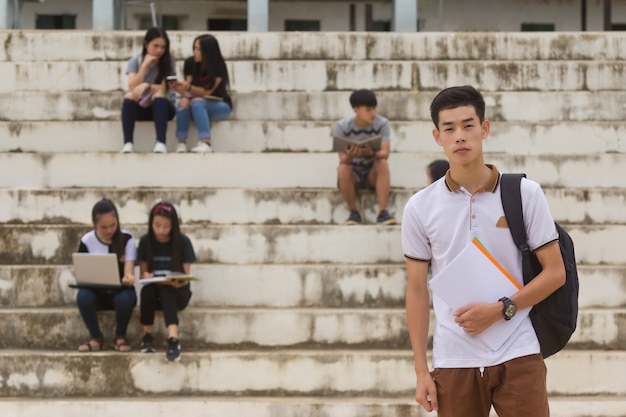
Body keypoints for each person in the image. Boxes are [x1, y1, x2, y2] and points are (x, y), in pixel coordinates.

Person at [401, 85, 565, 417]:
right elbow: (417, 290)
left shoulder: (524, 194)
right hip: (453, 357)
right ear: (438, 137)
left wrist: (500, 309)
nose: (459, 136)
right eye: (449, 128)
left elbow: (555, 272)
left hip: (519, 349)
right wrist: (421, 370)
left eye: (468, 125)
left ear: (484, 129)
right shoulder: (419, 207)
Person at [137, 201, 196, 361]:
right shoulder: (145, 242)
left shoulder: (182, 242)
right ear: (151, 224)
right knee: (148, 291)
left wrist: (178, 282)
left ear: (173, 226)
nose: (161, 230)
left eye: (166, 226)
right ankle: (147, 336)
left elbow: (186, 277)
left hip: (178, 293)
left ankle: (173, 338)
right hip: (154, 293)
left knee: (167, 289)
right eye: (157, 225)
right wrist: (147, 277)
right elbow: (143, 275)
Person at [76, 198, 137, 352]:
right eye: (104, 227)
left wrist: (127, 278)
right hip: (96, 293)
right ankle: (96, 337)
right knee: (83, 297)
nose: (110, 231)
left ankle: (120, 336)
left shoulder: (126, 239)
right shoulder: (86, 241)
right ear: (95, 224)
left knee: (126, 298)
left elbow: (129, 269)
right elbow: (82, 271)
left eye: (113, 225)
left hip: (119, 292)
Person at [334, 89, 396, 225]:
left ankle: (382, 212)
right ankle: (353, 212)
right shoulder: (341, 126)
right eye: (368, 110)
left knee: (382, 163)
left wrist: (371, 153)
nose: (373, 113)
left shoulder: (382, 123)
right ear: (356, 110)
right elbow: (343, 160)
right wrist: (351, 155)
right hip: (353, 172)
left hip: (372, 171)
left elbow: (385, 154)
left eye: (374, 109)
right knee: (343, 168)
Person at [169, 34, 232, 153]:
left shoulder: (218, 66)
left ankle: (205, 141)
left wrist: (188, 87)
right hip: (196, 104)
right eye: (194, 48)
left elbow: (207, 91)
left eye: (198, 49)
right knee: (183, 103)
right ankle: (181, 142)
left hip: (219, 105)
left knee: (197, 102)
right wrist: (176, 87)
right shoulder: (190, 63)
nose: (195, 52)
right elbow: (187, 90)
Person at [120, 27, 176, 154]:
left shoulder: (170, 62)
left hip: (164, 106)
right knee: (129, 96)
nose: (159, 50)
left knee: (157, 95)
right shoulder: (135, 61)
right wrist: (144, 65)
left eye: (163, 47)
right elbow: (132, 87)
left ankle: (161, 142)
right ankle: (128, 143)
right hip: (142, 107)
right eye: (155, 46)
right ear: (146, 44)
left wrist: (147, 86)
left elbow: (165, 88)